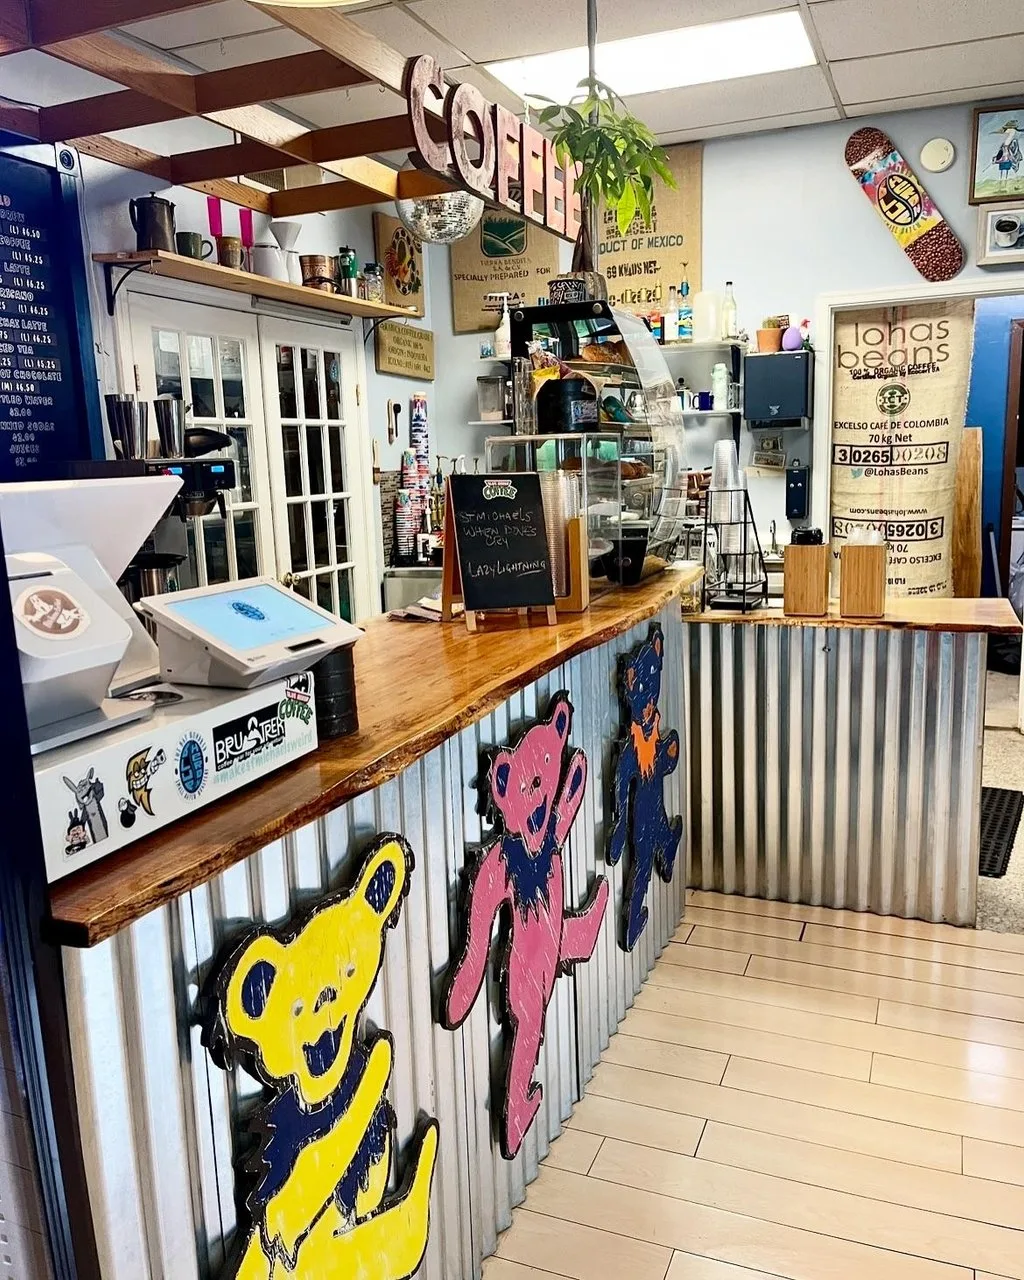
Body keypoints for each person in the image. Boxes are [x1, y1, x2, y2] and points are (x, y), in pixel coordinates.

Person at [993, 121, 1022, 186]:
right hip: (1003, 160)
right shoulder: (1004, 143)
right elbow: (1000, 152)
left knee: (1007, 172)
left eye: (1006, 129)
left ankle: (1007, 185)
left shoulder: (1014, 142)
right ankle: (1001, 186)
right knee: (1002, 172)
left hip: (1009, 160)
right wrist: (997, 157)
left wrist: (1010, 154)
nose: (1005, 131)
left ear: (1012, 130)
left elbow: (1015, 152)